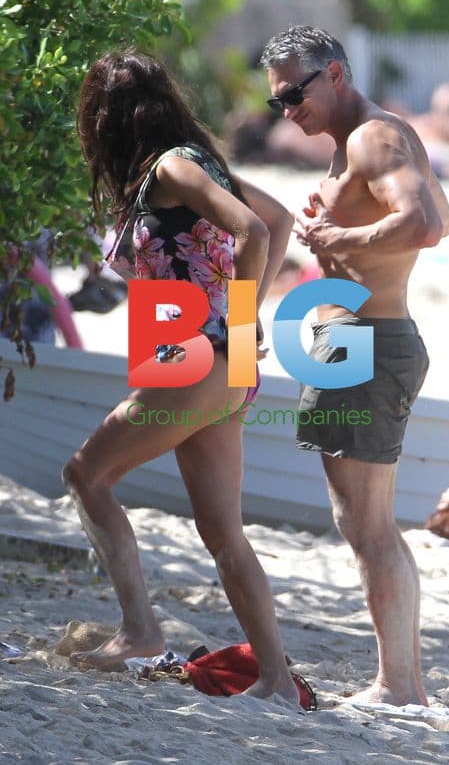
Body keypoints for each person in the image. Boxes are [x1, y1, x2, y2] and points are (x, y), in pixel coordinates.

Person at [61, 49, 299, 704]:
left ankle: (139, 631)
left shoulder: (170, 165)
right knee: (222, 531)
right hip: (221, 365)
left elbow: (254, 230)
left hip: (201, 358)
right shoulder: (195, 162)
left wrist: (242, 322)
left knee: (87, 474)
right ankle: (276, 679)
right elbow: (276, 222)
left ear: (106, 120)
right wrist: (242, 329)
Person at [260, 25, 449, 707]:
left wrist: (343, 234)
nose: (287, 111)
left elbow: (427, 223)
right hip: (361, 340)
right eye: (277, 102)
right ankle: (404, 682)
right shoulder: (363, 143)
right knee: (365, 523)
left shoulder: (374, 136)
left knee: (366, 525)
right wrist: (341, 231)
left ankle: (398, 686)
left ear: (336, 74)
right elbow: (444, 218)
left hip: (367, 342)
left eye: (294, 94)